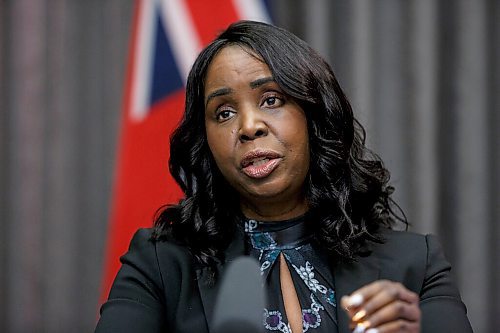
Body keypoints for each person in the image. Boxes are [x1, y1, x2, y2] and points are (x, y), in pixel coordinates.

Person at [95, 20, 472, 333]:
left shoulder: (414, 264)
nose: (248, 126)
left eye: (271, 100)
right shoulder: (160, 264)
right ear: (205, 140)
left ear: (313, 115)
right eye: (223, 112)